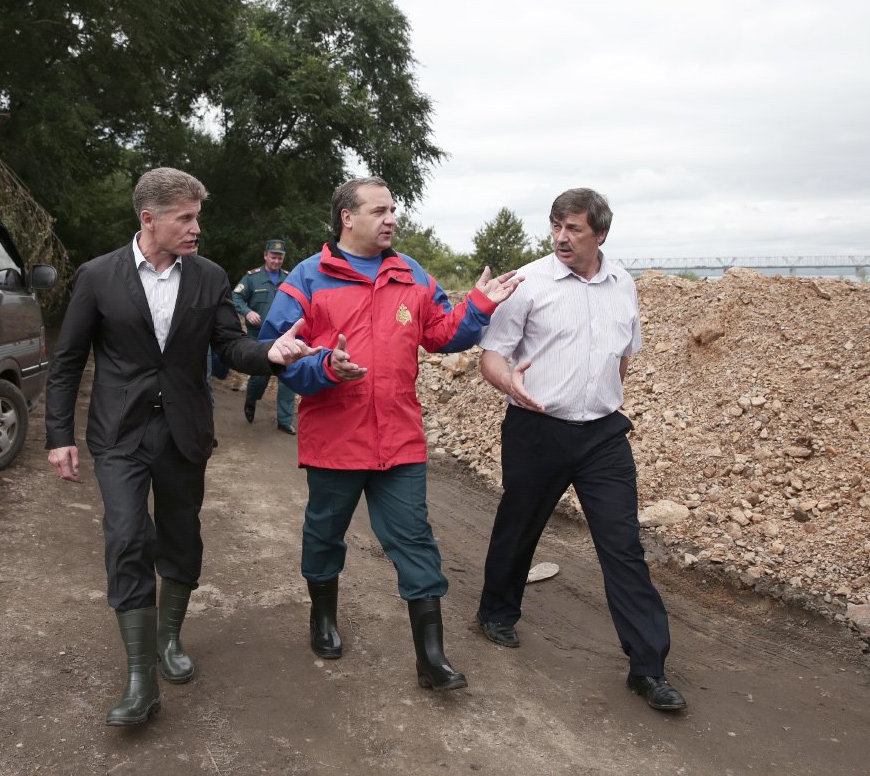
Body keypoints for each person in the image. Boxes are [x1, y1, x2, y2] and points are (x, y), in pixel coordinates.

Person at [44, 167, 318, 727]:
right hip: (119, 432)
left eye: (198, 217)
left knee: (180, 536)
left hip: (183, 431)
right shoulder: (98, 276)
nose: (197, 228)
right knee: (125, 536)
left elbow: (229, 345)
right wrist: (58, 437)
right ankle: (140, 679)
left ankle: (168, 637)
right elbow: (68, 361)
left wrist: (269, 354)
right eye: (186, 218)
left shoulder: (209, 277)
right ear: (149, 219)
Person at [260, 176, 522, 692]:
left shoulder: (411, 273)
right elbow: (278, 355)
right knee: (324, 534)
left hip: (399, 439)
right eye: (379, 211)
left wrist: (478, 307)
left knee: (414, 539)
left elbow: (441, 334)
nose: (391, 219)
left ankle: (431, 659)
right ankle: (323, 618)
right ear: (347, 218)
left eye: (393, 210)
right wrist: (325, 368)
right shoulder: (307, 278)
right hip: (335, 441)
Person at [473, 187, 687, 711]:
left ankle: (648, 667)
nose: (561, 238)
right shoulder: (528, 282)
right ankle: (497, 612)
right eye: (556, 227)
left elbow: (622, 357)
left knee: (623, 545)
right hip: (536, 429)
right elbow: (492, 356)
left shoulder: (623, 285)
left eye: (574, 228)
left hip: (602, 437)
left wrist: (600, 400)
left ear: (601, 234)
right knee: (519, 526)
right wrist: (508, 383)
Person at [233, 239, 297, 433]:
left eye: (280, 258)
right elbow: (236, 296)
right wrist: (247, 312)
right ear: (265, 256)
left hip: (284, 335)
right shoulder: (252, 278)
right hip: (260, 336)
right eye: (273, 257)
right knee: (260, 376)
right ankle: (251, 399)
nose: (276, 261)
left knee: (288, 377)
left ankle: (284, 421)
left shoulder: (290, 278)